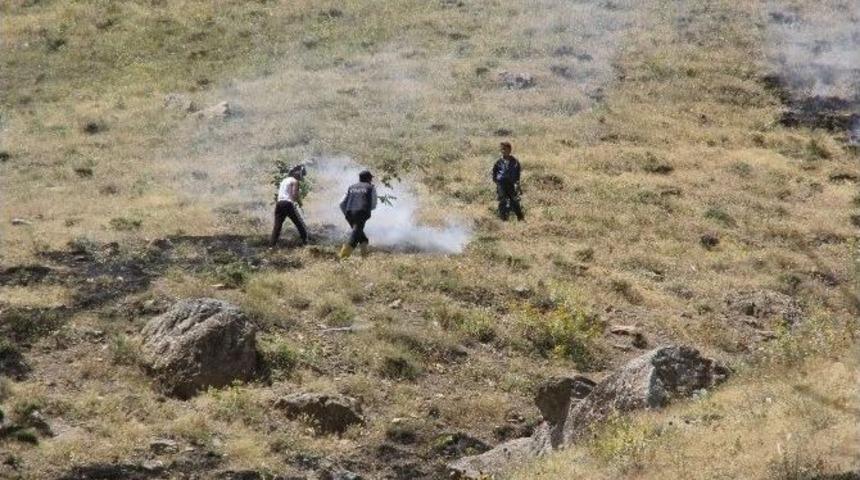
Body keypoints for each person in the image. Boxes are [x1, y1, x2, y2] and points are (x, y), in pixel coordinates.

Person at [338, 169, 378, 258]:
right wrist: (367, 209)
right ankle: (343, 256)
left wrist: (347, 213)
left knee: (360, 234)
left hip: (349, 213)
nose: (371, 180)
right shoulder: (371, 187)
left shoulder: (351, 187)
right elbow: (374, 204)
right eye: (371, 178)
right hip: (362, 212)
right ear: (368, 179)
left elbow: (341, 203)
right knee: (355, 235)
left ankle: (365, 256)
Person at [271, 164, 308, 246]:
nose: (301, 176)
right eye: (301, 174)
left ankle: (272, 245)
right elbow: (294, 195)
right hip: (288, 204)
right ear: (297, 173)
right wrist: (299, 202)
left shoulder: (284, 180)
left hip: (279, 203)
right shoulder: (294, 181)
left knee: (277, 226)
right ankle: (306, 242)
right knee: (300, 223)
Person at [492, 141, 524, 221]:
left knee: (514, 200)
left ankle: (520, 218)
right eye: (502, 149)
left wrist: (517, 184)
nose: (503, 151)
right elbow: (494, 172)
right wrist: (497, 181)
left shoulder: (515, 161)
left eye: (505, 149)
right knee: (502, 200)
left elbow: (517, 173)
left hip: (511, 183)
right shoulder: (498, 161)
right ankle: (503, 219)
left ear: (509, 150)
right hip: (501, 183)